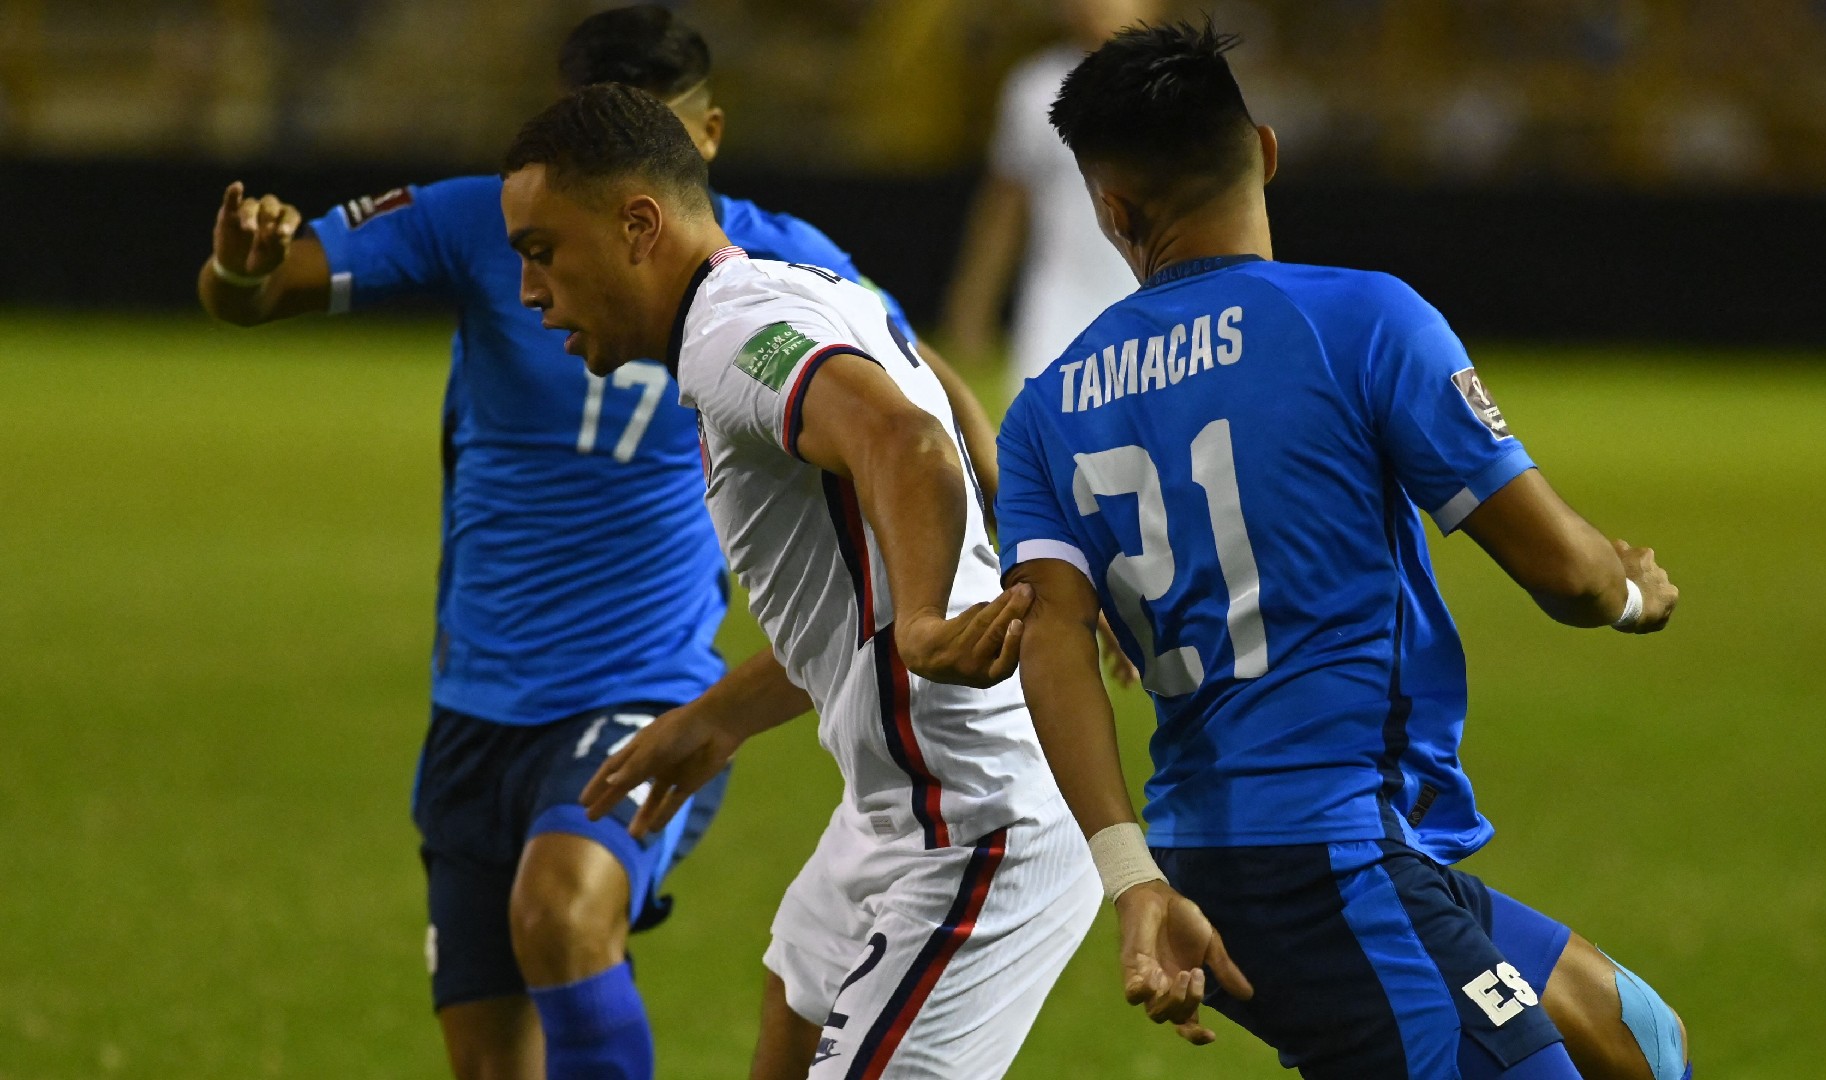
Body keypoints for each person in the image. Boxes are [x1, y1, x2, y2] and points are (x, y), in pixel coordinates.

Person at [194, 8, 998, 1079]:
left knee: (561, 911)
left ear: (699, 143)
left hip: (644, 686)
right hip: (477, 701)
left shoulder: (767, 274)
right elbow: (256, 292)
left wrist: (1018, 566)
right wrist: (241, 271)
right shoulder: (495, 218)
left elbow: (921, 398)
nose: (535, 283)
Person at [993, 21, 1692, 1080]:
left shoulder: (1047, 408)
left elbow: (1054, 639)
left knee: (1636, 1036)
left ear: (1112, 210)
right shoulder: (1361, 320)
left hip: (1250, 844)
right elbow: (1567, 573)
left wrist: (1132, 877)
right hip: (1324, 855)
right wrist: (1634, 594)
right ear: (1266, 151)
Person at [498, 83, 1102, 1080]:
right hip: (897, 806)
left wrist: (921, 622)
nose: (529, 290)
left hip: (973, 819)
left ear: (638, 226)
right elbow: (860, 590)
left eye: (541, 250)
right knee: (789, 1011)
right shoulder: (800, 293)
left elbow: (906, 441)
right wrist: (722, 714)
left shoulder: (733, 336)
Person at [941, 0, 1153, 396]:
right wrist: (972, 306)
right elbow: (1005, 207)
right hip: (1056, 312)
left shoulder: (1187, 87)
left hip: (1152, 307)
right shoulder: (1035, 88)